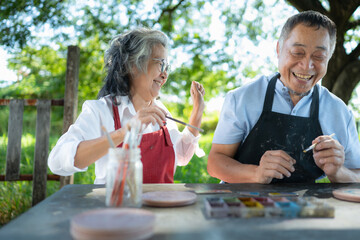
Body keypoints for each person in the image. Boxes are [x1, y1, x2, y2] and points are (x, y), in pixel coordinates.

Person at [207, 10, 360, 184]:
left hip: (306, 209)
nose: (306, 65)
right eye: (297, 52)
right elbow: (215, 163)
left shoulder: (340, 112)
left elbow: (357, 175)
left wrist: (338, 172)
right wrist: (256, 173)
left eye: (318, 57)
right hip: (243, 206)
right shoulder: (242, 98)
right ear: (279, 49)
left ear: (329, 59)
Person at [48, 27, 205, 184]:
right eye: (160, 64)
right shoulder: (101, 110)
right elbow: (56, 162)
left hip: (160, 205)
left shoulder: (161, 111)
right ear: (133, 65)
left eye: (167, 67)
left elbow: (182, 156)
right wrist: (125, 132)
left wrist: (197, 111)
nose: (165, 74)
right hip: (116, 206)